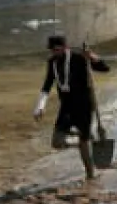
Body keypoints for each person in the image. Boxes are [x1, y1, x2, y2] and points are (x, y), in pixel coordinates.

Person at [34, 35, 110, 179]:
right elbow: (47, 84)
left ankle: (91, 175)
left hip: (84, 105)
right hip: (66, 107)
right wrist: (40, 107)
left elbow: (105, 68)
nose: (54, 53)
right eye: (52, 50)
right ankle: (82, 141)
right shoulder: (52, 62)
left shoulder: (79, 58)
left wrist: (92, 57)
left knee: (84, 142)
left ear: (65, 48)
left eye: (57, 50)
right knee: (57, 142)